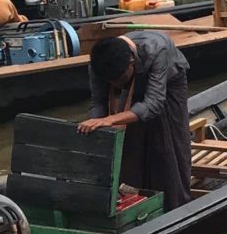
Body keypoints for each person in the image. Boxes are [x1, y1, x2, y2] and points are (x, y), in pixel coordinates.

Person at [79, 32, 191, 210]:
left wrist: (110, 119)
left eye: (118, 80)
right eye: (111, 82)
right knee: (130, 141)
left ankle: (175, 204)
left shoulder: (157, 49)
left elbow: (153, 104)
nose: (115, 85)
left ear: (131, 63)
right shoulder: (98, 65)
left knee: (167, 144)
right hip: (133, 85)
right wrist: (96, 124)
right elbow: (98, 101)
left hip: (169, 85)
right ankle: (136, 203)